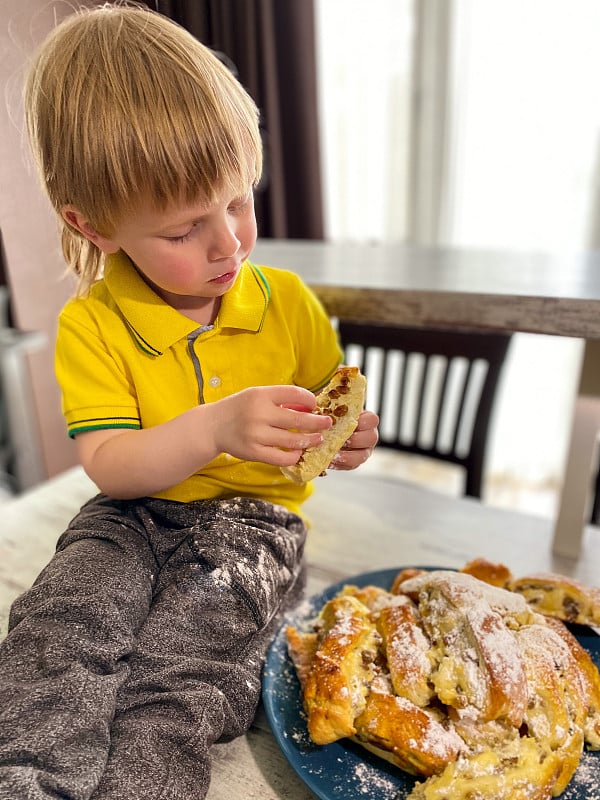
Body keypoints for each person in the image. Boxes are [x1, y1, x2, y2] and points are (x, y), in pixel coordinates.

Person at [0, 4, 379, 799]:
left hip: (253, 524)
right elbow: (111, 468)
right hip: (130, 517)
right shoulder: (93, 324)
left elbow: (328, 414)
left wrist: (348, 438)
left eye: (238, 201)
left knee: (180, 672)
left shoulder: (290, 303)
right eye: (183, 229)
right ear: (93, 226)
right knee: (57, 632)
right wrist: (215, 425)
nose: (229, 244)